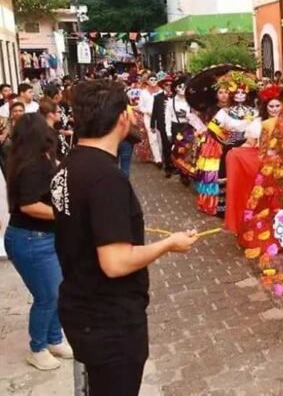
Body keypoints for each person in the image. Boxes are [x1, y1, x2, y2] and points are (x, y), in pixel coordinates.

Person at [51, 79, 198, 396]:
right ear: (120, 117)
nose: (134, 117)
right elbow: (115, 263)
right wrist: (169, 244)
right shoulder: (105, 178)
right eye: (130, 110)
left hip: (82, 307)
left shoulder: (69, 165)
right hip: (109, 322)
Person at [4, 113, 70, 370]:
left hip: (45, 237)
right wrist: (64, 214)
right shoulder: (31, 165)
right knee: (47, 296)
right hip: (31, 239)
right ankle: (37, 347)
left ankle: (55, 338)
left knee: (57, 291)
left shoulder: (39, 159)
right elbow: (30, 205)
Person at [194, 71, 259, 217]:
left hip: (248, 148)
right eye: (237, 93)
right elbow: (213, 129)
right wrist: (228, 139)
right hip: (228, 148)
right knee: (226, 175)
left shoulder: (254, 112)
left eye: (243, 93)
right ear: (232, 95)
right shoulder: (225, 112)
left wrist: (249, 139)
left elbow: (258, 130)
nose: (240, 96)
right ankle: (225, 207)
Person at [164, 76, 191, 179]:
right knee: (178, 149)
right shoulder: (171, 102)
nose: (183, 89)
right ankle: (179, 169)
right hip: (176, 127)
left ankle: (185, 173)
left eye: (185, 87)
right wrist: (168, 132)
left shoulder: (189, 101)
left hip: (187, 127)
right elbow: (167, 118)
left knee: (187, 149)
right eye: (180, 86)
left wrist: (188, 115)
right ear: (175, 89)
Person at [138, 75, 163, 167]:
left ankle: (161, 156)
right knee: (153, 138)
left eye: (155, 79)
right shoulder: (143, 93)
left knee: (160, 136)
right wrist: (147, 111)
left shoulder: (161, 91)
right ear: (147, 81)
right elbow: (141, 106)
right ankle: (158, 159)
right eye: (151, 80)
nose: (153, 81)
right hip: (148, 117)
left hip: (160, 118)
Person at [150, 77, 173, 175]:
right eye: (166, 85)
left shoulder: (175, 97)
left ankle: (175, 165)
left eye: (170, 85)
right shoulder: (158, 97)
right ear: (163, 86)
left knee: (175, 145)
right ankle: (167, 166)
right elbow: (154, 112)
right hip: (162, 125)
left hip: (174, 124)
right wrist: (152, 125)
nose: (169, 87)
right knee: (166, 145)